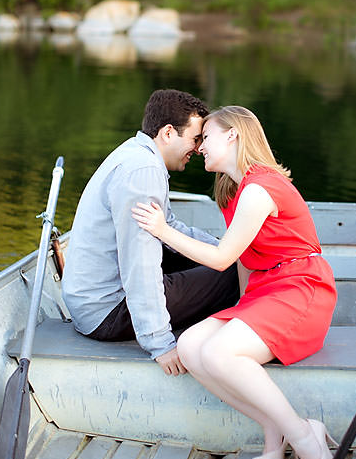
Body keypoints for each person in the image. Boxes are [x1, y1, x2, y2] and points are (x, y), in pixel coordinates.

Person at [132, 105, 338, 459]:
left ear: (233, 135)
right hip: (267, 291)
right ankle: (272, 427)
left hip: (302, 288)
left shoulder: (261, 188)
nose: (199, 147)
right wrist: (243, 309)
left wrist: (162, 229)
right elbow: (244, 261)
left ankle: (307, 439)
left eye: (205, 137)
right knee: (192, 346)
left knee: (218, 353)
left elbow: (223, 257)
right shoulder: (233, 190)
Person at [61, 89, 239, 377]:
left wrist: (226, 248)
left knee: (226, 259)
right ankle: (241, 337)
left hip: (95, 299)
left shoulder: (137, 154)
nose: (197, 149)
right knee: (232, 275)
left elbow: (169, 229)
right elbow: (139, 264)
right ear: (168, 132)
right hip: (106, 312)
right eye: (195, 138)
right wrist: (160, 343)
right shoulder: (142, 170)